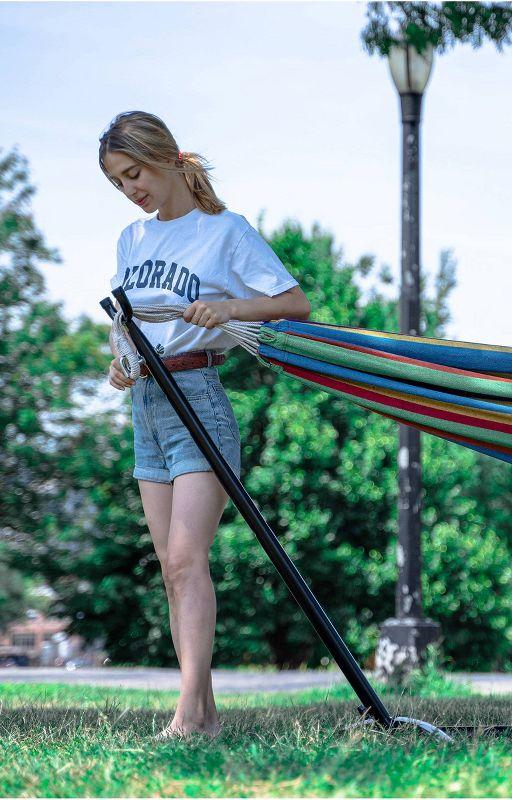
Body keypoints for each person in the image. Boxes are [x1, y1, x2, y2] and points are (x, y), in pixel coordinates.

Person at [99, 110, 311, 740]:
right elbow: (128, 326)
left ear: (164, 158)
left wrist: (226, 308)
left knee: (189, 558)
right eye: (117, 182)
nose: (130, 188)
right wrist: (119, 363)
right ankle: (206, 715)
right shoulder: (131, 241)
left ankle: (186, 717)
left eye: (134, 173)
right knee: (172, 567)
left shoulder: (225, 230)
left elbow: (293, 303)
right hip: (146, 402)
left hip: (197, 397)